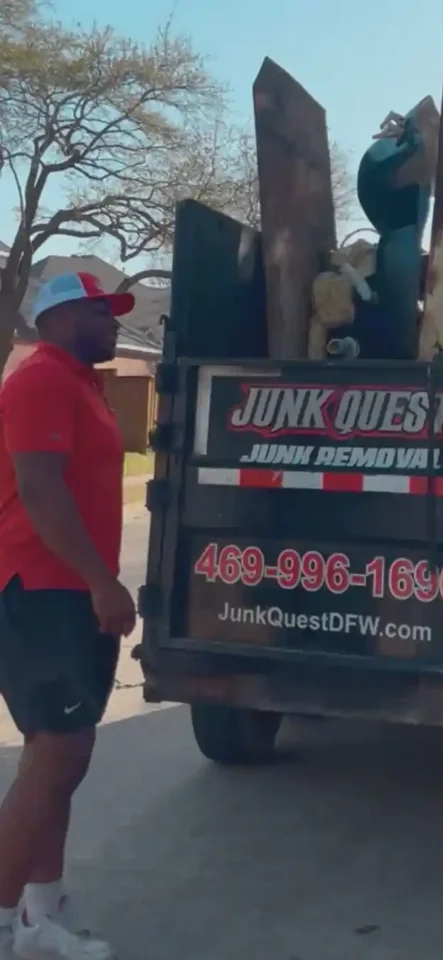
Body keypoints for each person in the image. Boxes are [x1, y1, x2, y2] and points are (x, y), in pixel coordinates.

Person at [0, 273, 138, 960]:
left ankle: (38, 920)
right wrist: (100, 581)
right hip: (43, 587)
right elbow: (39, 488)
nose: (114, 323)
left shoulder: (82, 385)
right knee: (56, 752)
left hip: (71, 593)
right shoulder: (40, 381)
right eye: (99, 311)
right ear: (57, 317)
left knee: (64, 756)